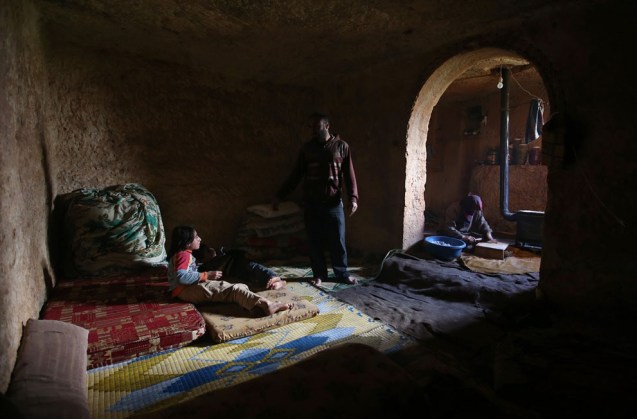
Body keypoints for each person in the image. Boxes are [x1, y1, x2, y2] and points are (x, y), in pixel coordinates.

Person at [273, 112, 359, 286]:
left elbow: (349, 175)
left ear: (327, 125)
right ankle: (319, 274)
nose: (313, 130)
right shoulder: (307, 149)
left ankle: (341, 273)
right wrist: (280, 195)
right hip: (312, 203)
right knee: (314, 241)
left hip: (334, 203)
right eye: (311, 126)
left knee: (338, 240)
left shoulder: (342, 146)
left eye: (317, 126)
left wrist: (353, 198)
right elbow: (296, 175)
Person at [166, 225, 291, 316]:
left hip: (184, 290)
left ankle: (253, 304)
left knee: (240, 286)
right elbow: (181, 276)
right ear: (187, 242)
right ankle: (266, 304)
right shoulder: (184, 255)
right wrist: (206, 275)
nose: (199, 238)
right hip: (186, 290)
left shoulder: (180, 255)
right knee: (234, 289)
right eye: (196, 237)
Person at [192, 243, 287, 290]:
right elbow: (199, 273)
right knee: (251, 278)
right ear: (203, 260)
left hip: (239, 262)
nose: (212, 250)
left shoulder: (221, 252)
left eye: (210, 248)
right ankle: (280, 283)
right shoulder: (206, 267)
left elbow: (234, 252)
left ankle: (273, 277)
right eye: (208, 252)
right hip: (235, 271)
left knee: (255, 268)